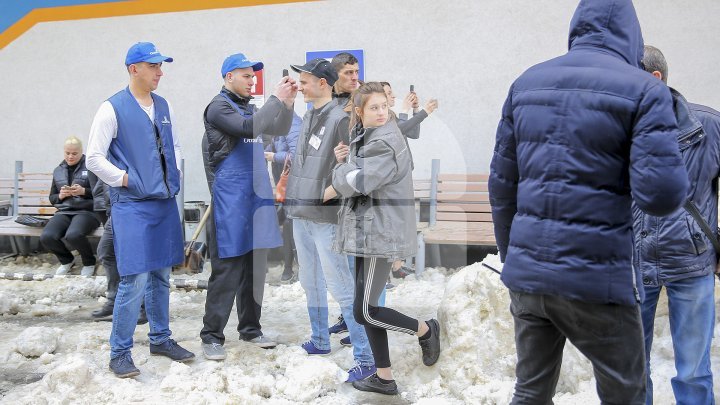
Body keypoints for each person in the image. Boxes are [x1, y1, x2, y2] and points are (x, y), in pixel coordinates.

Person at [488, 1, 691, 403]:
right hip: (597, 281)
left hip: (529, 278)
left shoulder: (527, 82)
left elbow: (501, 185)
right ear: (631, 34)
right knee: (625, 394)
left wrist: (514, 256)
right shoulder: (645, 89)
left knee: (530, 392)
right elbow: (661, 197)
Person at [86, 41, 194, 378]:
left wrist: (172, 175)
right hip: (131, 204)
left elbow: (173, 145)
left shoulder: (163, 105)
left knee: (162, 273)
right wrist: (124, 179)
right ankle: (119, 352)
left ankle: (161, 338)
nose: (160, 72)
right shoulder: (112, 108)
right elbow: (93, 158)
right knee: (134, 278)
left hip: (162, 201)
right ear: (135, 69)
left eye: (161, 66)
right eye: (154, 66)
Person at [332, 82, 441, 395]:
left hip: (381, 232)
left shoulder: (385, 139)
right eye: (374, 108)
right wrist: (349, 159)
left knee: (365, 310)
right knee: (363, 308)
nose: (381, 112)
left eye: (383, 106)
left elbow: (358, 182)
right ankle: (384, 376)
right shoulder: (367, 136)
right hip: (370, 230)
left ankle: (425, 330)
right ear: (360, 112)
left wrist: (341, 167)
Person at [283, 58, 376, 383]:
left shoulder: (340, 119)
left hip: (325, 218)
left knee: (341, 288)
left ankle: (366, 358)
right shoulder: (309, 114)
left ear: (323, 83)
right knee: (310, 282)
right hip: (300, 214)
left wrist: (326, 193)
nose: (301, 85)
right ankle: (320, 340)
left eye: (305, 81)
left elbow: (352, 170)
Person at [200, 53, 297, 360]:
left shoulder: (250, 108)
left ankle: (251, 329)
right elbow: (249, 129)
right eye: (246, 76)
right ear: (229, 76)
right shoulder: (218, 107)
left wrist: (288, 103)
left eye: (253, 76)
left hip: (256, 199)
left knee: (255, 270)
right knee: (227, 270)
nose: (252, 80)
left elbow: (279, 129)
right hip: (230, 202)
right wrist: (274, 99)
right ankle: (212, 335)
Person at [636, 45, 718, 405]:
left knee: (694, 373)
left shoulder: (710, 126)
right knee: (630, 369)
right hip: (631, 267)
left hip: (692, 261)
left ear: (654, 80)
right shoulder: (613, 129)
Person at [381, 81, 438, 278]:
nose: (393, 96)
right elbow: (400, 132)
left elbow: (412, 132)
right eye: (389, 93)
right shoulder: (381, 120)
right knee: (390, 224)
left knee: (399, 223)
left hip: (403, 175)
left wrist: (414, 110)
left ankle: (396, 266)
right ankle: (386, 270)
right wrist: (420, 111)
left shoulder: (392, 116)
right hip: (391, 179)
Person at [41, 136, 101, 277]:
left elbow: (101, 193)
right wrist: (60, 196)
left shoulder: (91, 167)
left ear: (81, 152)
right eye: (67, 153)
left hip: (88, 211)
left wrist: (84, 191)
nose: (70, 156)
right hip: (64, 211)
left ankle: (89, 262)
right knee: (47, 236)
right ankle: (67, 260)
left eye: (74, 153)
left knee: (73, 235)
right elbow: (52, 198)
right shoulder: (58, 170)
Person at [89, 180, 147, 325]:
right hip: (114, 210)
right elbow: (99, 187)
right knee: (106, 252)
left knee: (135, 257)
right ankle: (113, 301)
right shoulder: (104, 159)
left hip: (131, 207)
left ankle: (144, 307)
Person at [265, 112, 302, 282]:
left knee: (292, 224)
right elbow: (275, 146)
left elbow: (297, 156)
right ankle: (289, 266)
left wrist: (273, 157)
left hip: (295, 185)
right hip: (285, 185)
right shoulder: (280, 127)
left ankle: (295, 267)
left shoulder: (293, 124)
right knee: (288, 224)